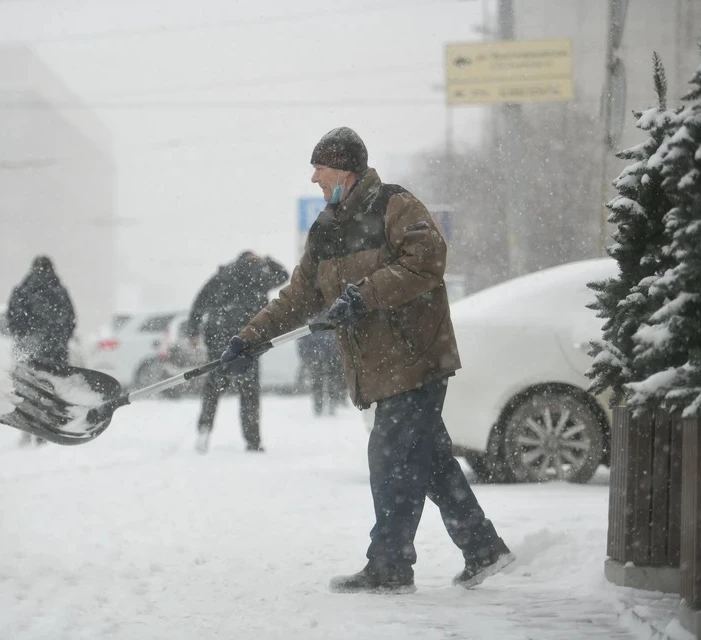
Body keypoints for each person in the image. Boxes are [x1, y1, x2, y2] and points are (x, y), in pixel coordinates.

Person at [218, 127, 513, 593]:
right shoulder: (327, 228)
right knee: (429, 459)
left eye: (321, 166)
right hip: (378, 363)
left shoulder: (396, 205)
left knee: (390, 456)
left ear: (346, 170)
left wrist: (365, 295)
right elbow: (298, 296)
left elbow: (426, 261)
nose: (314, 176)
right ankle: (483, 547)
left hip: (416, 357)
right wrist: (248, 337)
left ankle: (390, 564)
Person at [186, 251, 289, 454]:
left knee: (213, 388)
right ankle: (252, 441)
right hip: (247, 337)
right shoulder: (258, 275)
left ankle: (204, 430)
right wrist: (267, 259)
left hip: (218, 337)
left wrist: (193, 331)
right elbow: (284, 275)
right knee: (249, 392)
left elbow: (199, 302)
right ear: (252, 260)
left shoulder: (221, 276)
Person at [6, 256, 77, 446]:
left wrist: (24, 338)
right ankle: (46, 429)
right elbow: (70, 320)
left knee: (27, 388)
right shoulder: (59, 291)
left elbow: (12, 319)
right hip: (54, 352)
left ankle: (27, 427)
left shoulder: (22, 290)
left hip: (29, 349)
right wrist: (58, 340)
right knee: (50, 389)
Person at [296, 312, 345, 417]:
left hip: (324, 353)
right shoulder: (326, 313)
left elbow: (302, 338)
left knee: (323, 381)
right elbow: (302, 338)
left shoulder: (312, 314)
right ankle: (324, 405)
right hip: (323, 353)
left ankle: (326, 405)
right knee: (324, 381)